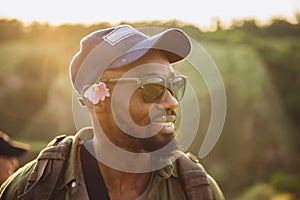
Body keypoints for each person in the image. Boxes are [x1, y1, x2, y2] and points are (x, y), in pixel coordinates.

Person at [0, 25, 225, 200]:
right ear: (97, 100)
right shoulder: (29, 190)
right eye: (152, 88)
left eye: (174, 86)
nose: (172, 102)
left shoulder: (197, 190)